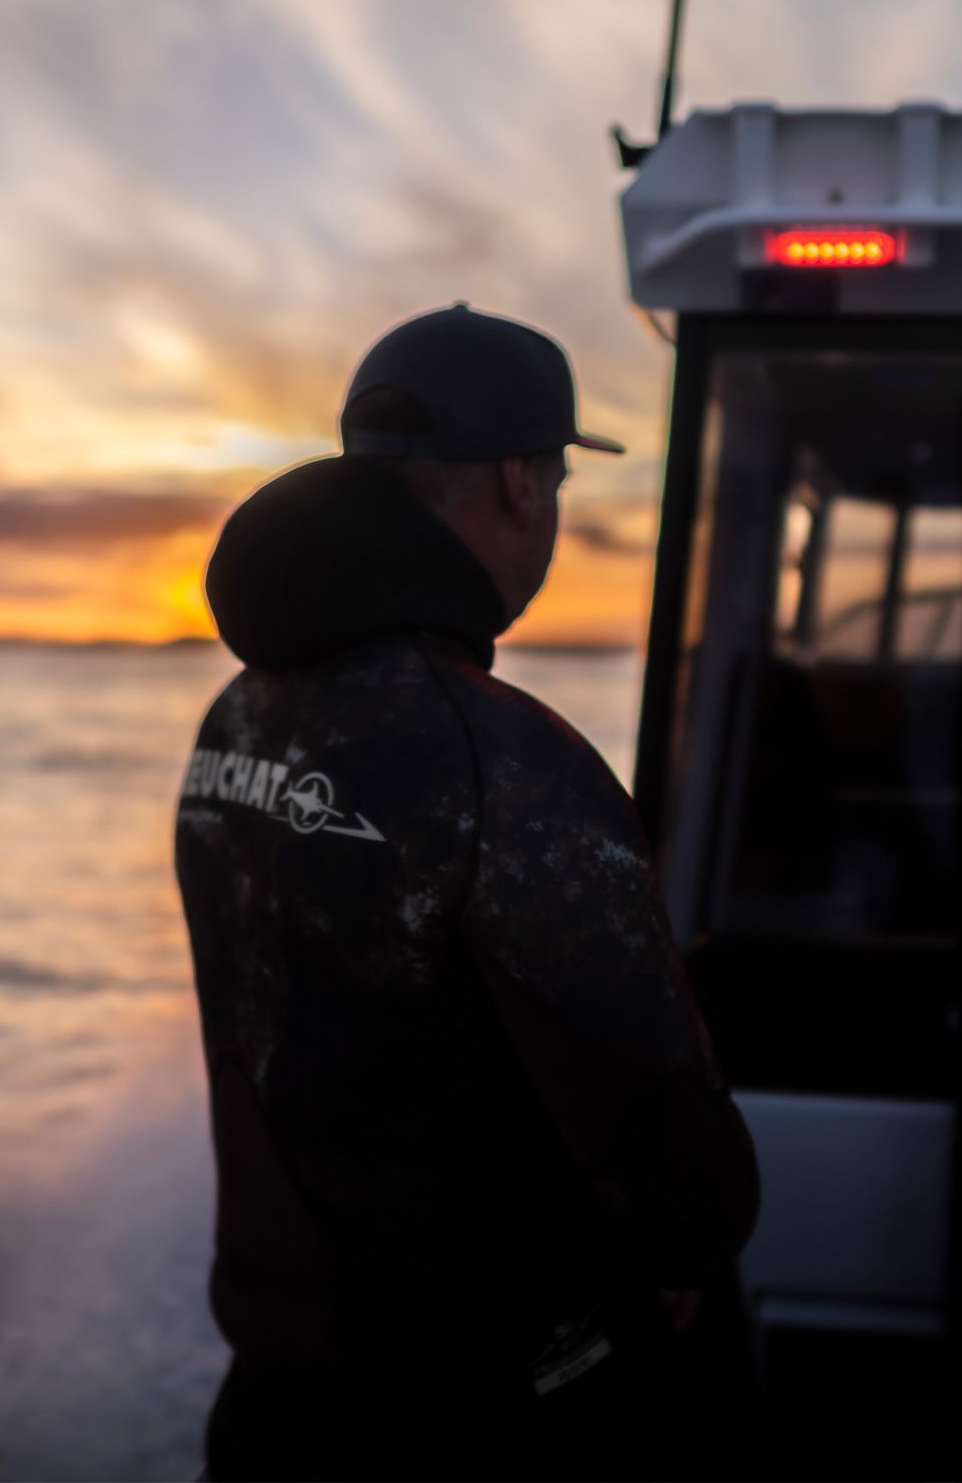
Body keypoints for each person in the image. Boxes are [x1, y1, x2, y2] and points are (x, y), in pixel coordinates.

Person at [175, 303, 759, 1481]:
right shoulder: (498, 754)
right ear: (515, 478)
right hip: (496, 1417)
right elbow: (672, 1165)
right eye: (551, 476)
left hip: (281, 1394)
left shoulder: (237, 715)